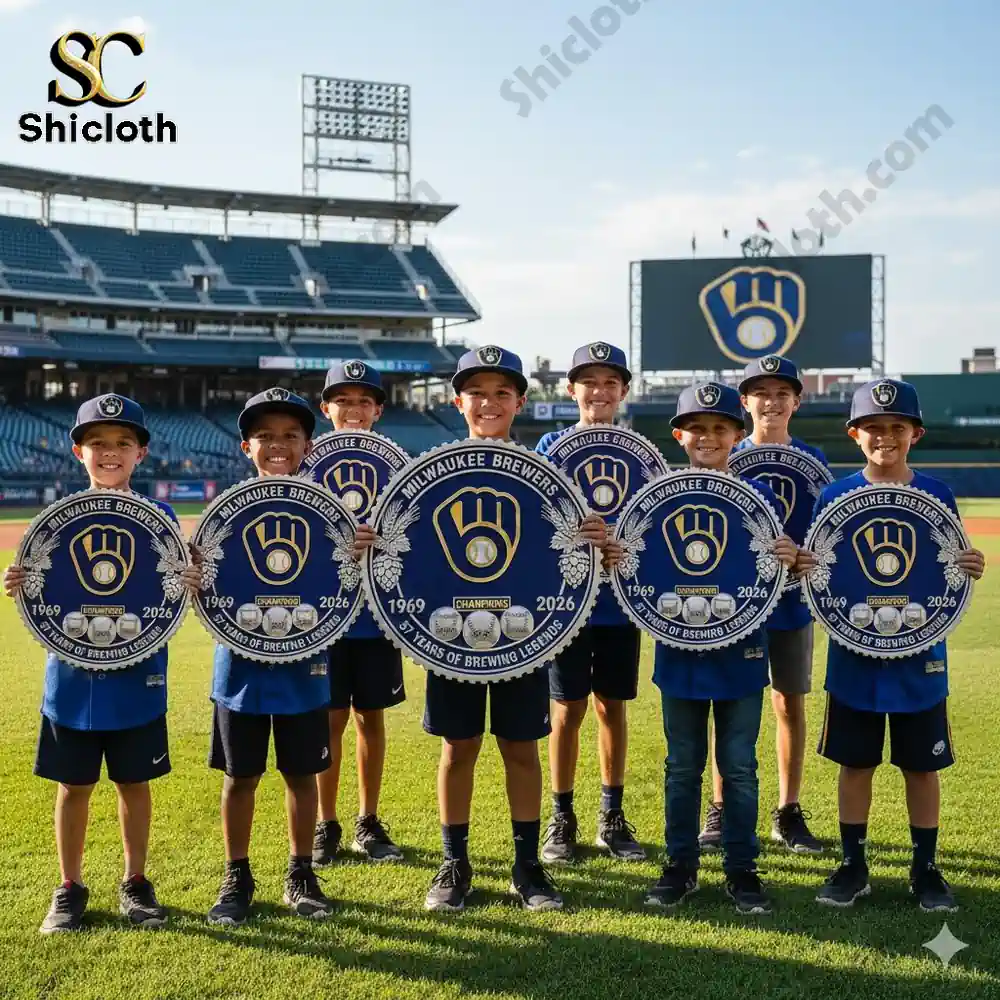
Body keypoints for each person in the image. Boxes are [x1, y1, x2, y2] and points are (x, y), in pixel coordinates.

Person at [407, 346, 608, 912]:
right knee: (459, 746)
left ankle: (526, 865)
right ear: (457, 401)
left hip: (525, 635)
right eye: (477, 392)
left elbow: (567, 550)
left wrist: (592, 536)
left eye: (502, 393)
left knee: (521, 747)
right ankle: (455, 863)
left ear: (521, 401)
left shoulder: (547, 478)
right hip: (450, 637)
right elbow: (407, 551)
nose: (489, 403)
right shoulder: (426, 476)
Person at [2, 394, 200, 934]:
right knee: (72, 787)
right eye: (98, 444)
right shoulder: (56, 523)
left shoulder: (160, 518)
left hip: (138, 677)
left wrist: (191, 583)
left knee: (135, 784)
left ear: (141, 453)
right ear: (77, 451)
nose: (109, 453)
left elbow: (174, 591)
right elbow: (42, 592)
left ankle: (135, 882)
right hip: (69, 681)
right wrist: (19, 585)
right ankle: (69, 886)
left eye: (121, 444)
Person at [797, 379, 986, 911]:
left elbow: (948, 566)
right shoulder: (836, 496)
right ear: (855, 434)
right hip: (854, 655)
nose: (885, 437)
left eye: (896, 428)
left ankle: (925, 869)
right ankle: (852, 864)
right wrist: (808, 568)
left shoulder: (937, 494)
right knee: (855, 764)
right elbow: (824, 574)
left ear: (915, 434)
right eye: (873, 429)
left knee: (921, 767)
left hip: (919, 656)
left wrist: (970, 564)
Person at [203, 387, 363, 927]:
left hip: (306, 669)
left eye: (290, 435)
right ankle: (238, 875)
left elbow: (348, 583)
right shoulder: (223, 515)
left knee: (301, 776)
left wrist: (363, 549)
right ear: (246, 445)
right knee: (240, 778)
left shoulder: (332, 518)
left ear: (308, 444)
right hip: (240, 672)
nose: (278, 444)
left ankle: (300, 871)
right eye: (265, 436)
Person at [644, 383, 798, 915]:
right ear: (680, 434)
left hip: (742, 655)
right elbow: (640, 570)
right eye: (698, 427)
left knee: (738, 767)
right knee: (682, 766)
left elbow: (784, 568)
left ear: (738, 433)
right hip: (681, 653)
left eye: (720, 427)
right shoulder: (655, 499)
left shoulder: (761, 501)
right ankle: (680, 865)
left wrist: (789, 552)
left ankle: (741, 870)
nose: (708, 436)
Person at [699, 356, 827, 854]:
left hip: (792, 604)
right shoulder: (727, 455)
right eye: (760, 393)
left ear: (797, 401)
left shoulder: (813, 461)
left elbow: (827, 534)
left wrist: (807, 558)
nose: (771, 402)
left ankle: (788, 810)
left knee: (788, 703)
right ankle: (720, 807)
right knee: (725, 705)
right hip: (733, 606)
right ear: (744, 401)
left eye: (781, 393)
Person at [535, 343, 645, 863]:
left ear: (623, 391)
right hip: (568, 607)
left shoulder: (640, 453)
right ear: (571, 389)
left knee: (612, 707)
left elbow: (654, 528)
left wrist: (628, 546)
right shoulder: (552, 446)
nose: (599, 392)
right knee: (566, 709)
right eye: (589, 382)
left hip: (620, 605)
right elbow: (535, 523)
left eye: (609, 383)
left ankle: (611, 812)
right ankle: (561, 815)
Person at [312, 361, 406, 866]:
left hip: (376, 616)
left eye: (363, 401)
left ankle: (367, 820)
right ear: (325, 408)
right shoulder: (304, 463)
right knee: (329, 719)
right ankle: (326, 823)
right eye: (342, 401)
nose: (353, 409)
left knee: (371, 718)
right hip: (324, 617)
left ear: (378, 411)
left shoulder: (397, 464)